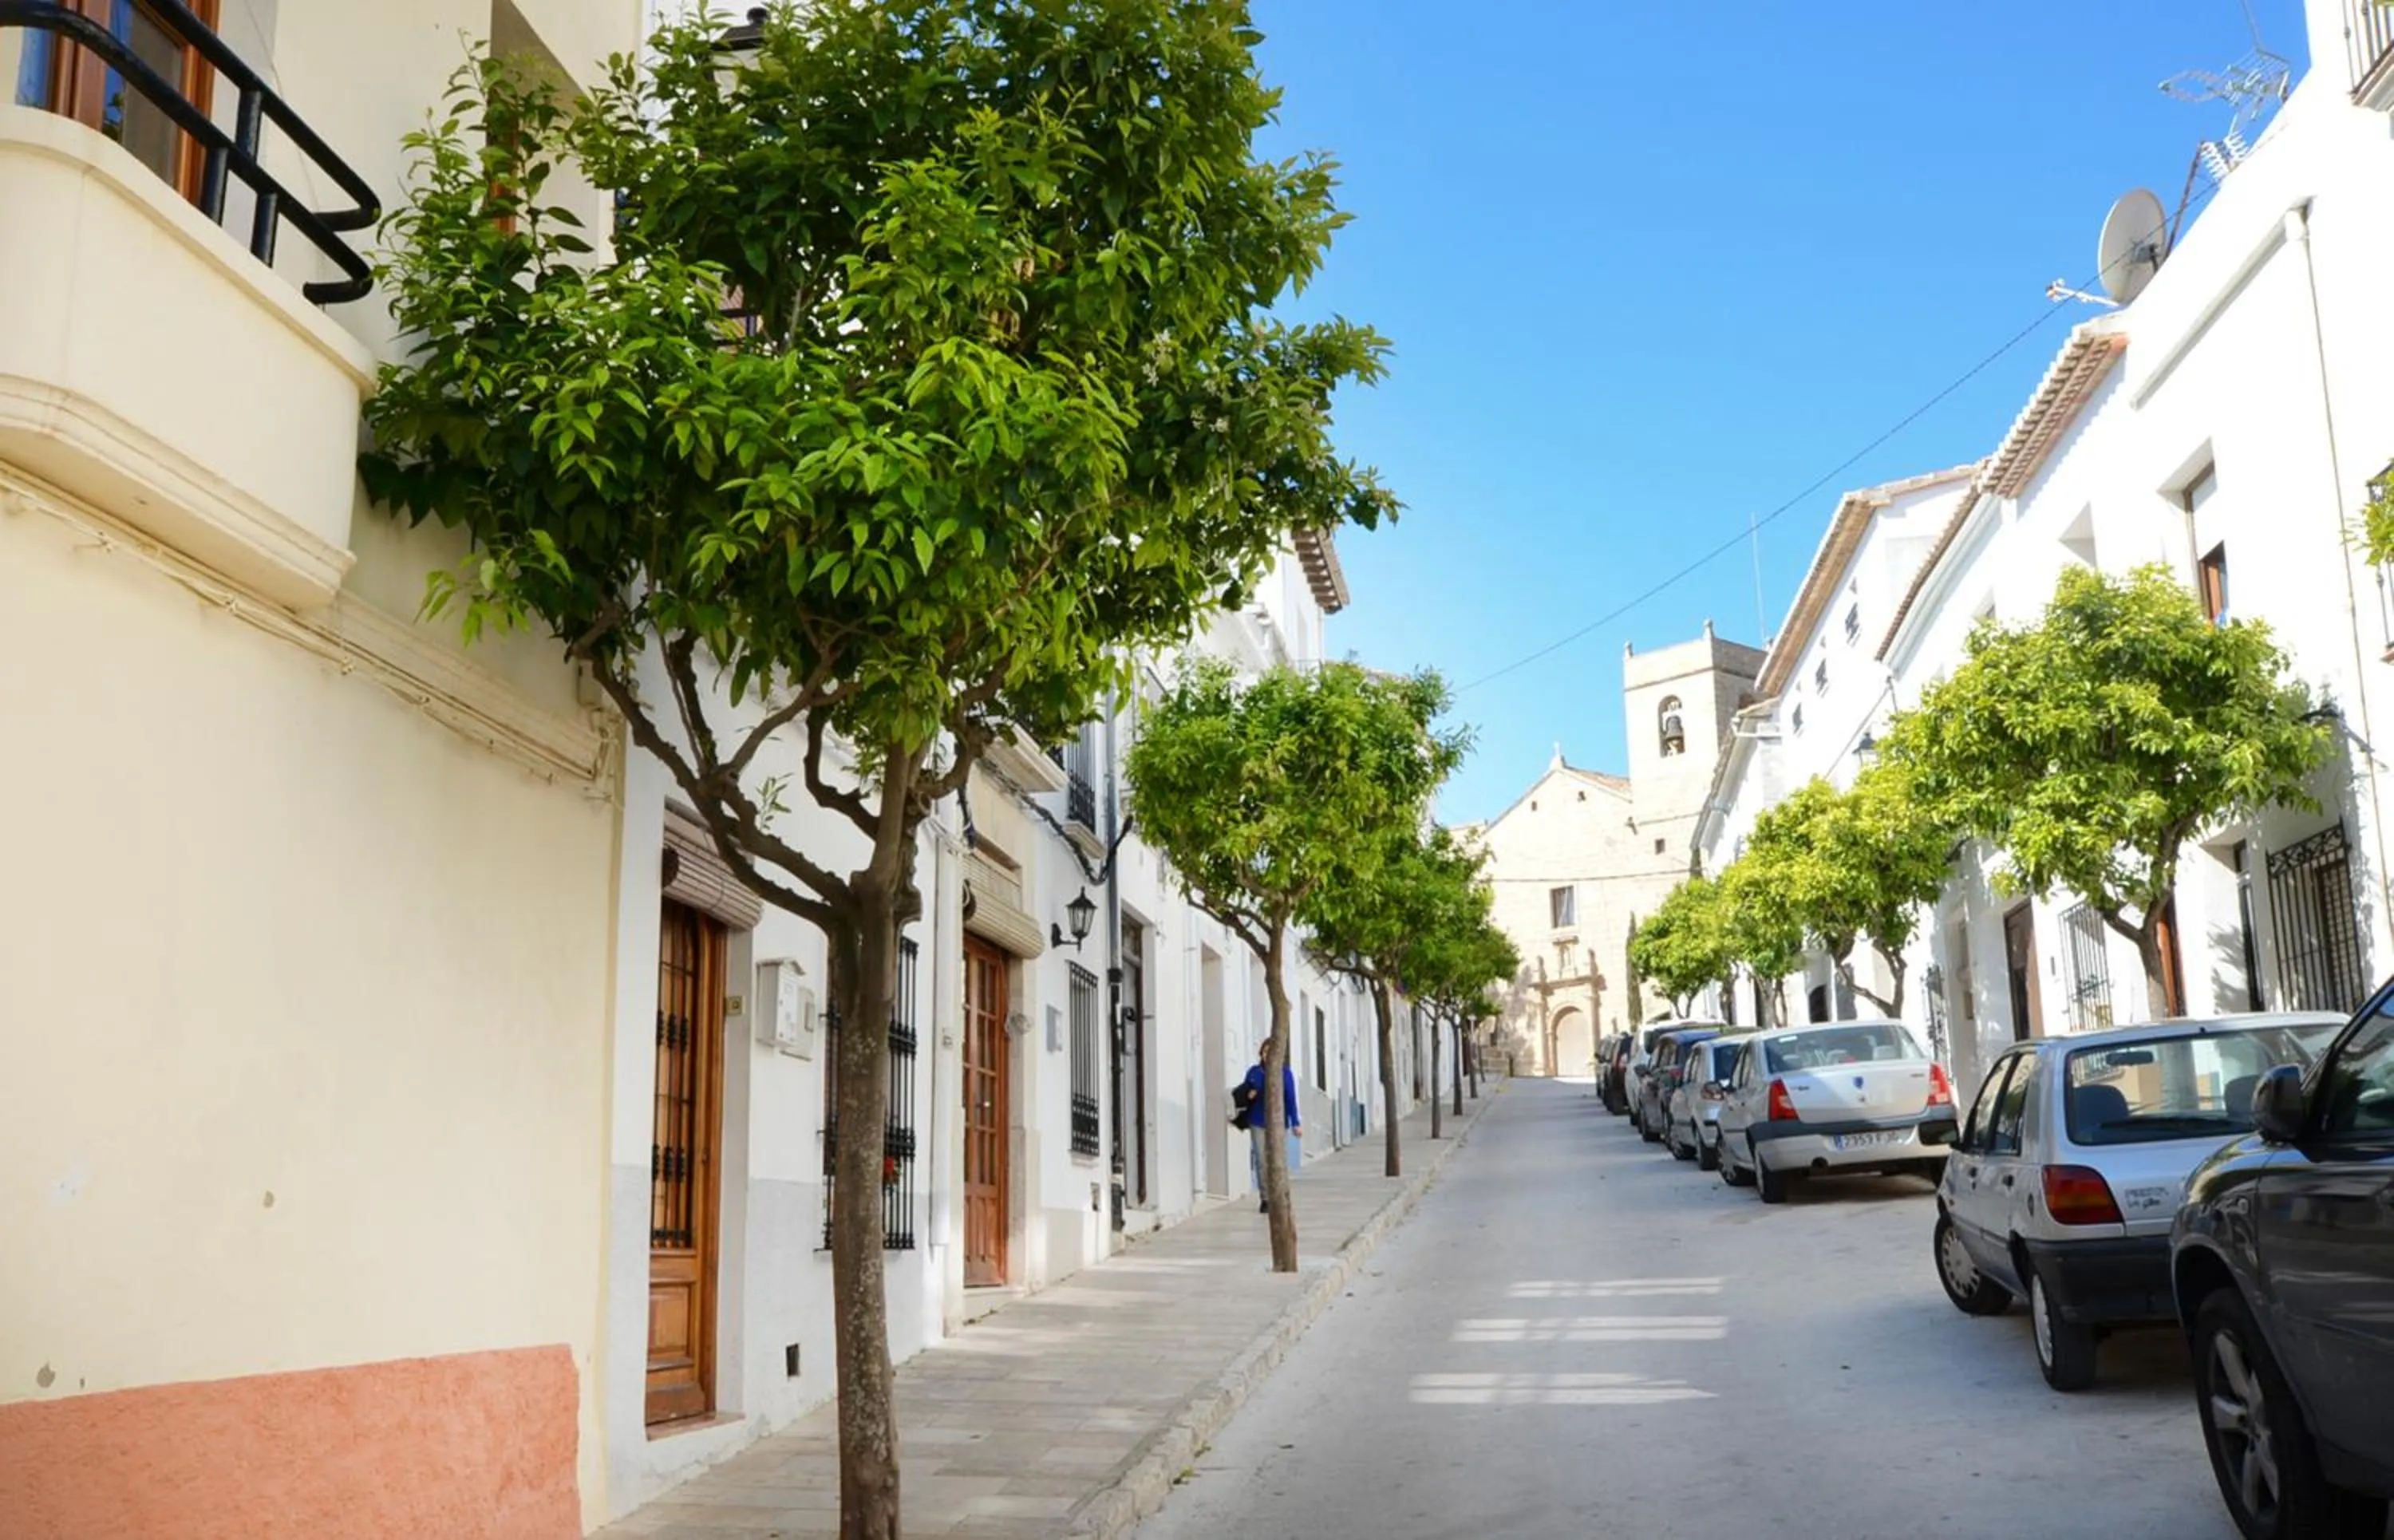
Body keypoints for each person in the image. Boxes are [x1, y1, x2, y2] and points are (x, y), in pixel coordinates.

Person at [1242, 1044, 1302, 1214]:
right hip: (1257, 1121)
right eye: (1265, 1051)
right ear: (1261, 1053)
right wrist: (1249, 1095)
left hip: (1278, 1122)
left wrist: (1295, 1122)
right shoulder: (1254, 1072)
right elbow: (1244, 1094)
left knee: (1277, 1160)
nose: (1267, 1055)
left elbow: (1291, 1098)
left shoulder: (1285, 1073)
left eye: (1271, 1052)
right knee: (1261, 1160)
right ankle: (1265, 1198)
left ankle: (1279, 1196)